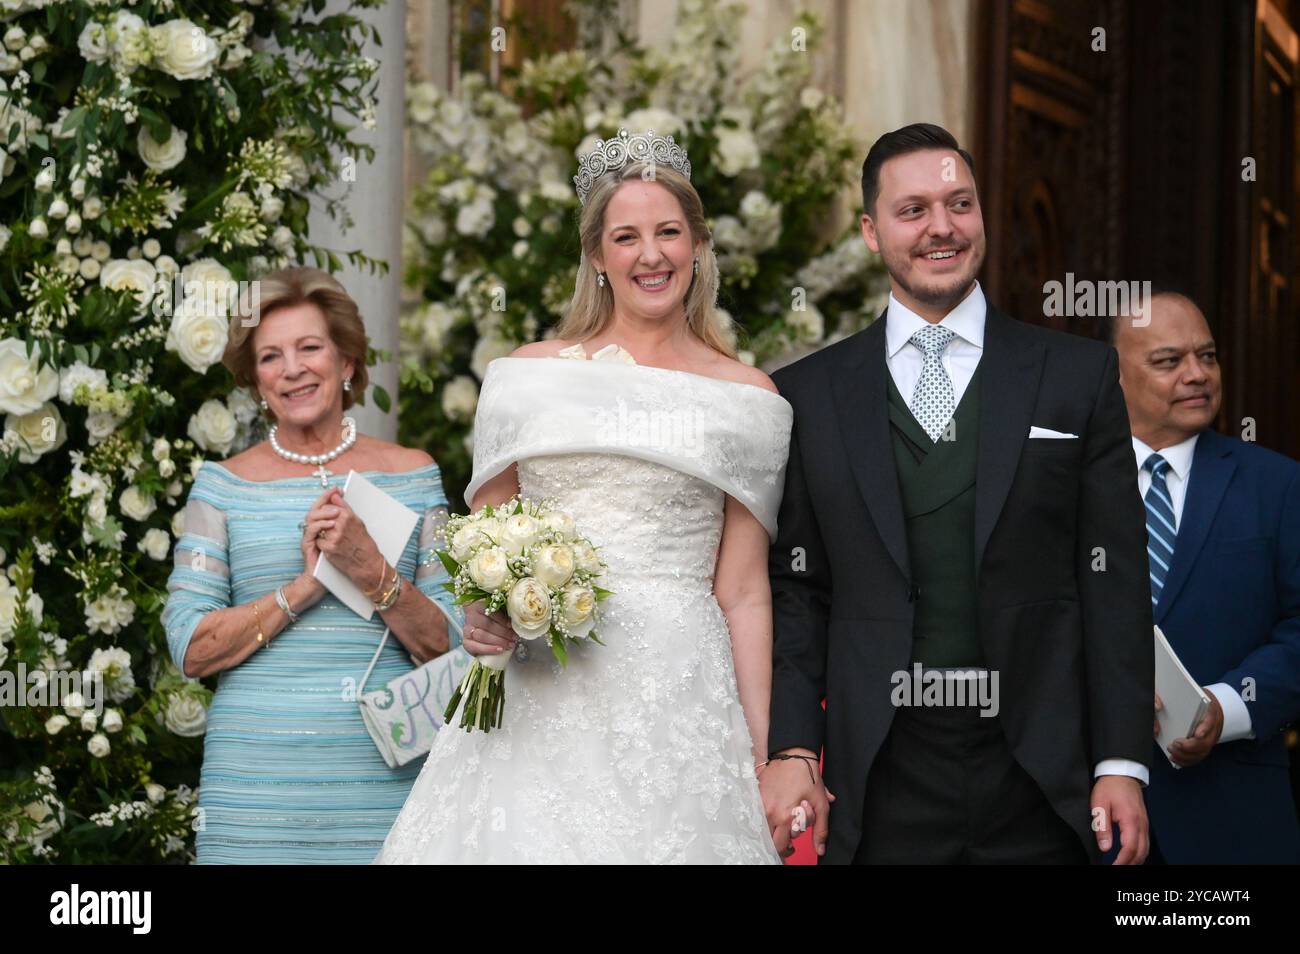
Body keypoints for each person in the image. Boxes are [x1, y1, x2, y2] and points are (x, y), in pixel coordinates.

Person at [375, 130, 792, 864]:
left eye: (668, 232)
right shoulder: (526, 378)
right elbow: (483, 546)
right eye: (625, 237)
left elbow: (746, 591)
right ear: (598, 255)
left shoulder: (746, 398)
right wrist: (481, 615)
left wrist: (759, 755)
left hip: (679, 692)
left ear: (698, 244)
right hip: (542, 685)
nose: (650, 255)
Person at [761, 123, 1153, 864]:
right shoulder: (807, 395)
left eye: (960, 203)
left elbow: (1116, 581)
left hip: (1041, 766)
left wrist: (1121, 762)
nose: (942, 227)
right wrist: (793, 749)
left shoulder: (1077, 376)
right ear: (873, 234)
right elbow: (800, 591)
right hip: (881, 773)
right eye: (914, 211)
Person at [163, 266, 463, 863]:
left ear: (347, 361)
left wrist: (369, 567)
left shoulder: (414, 475)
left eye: (309, 348)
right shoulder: (222, 487)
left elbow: (452, 646)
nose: (293, 369)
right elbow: (191, 648)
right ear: (255, 379)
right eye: (271, 357)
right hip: (255, 786)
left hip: (388, 774)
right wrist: (307, 585)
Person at [1106, 291, 1300, 863]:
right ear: (1112, 377)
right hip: (1087, 823)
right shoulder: (1063, 485)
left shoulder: (1278, 486)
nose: (1196, 374)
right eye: (1169, 361)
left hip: (1233, 823)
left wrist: (1227, 706)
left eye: (1207, 356)